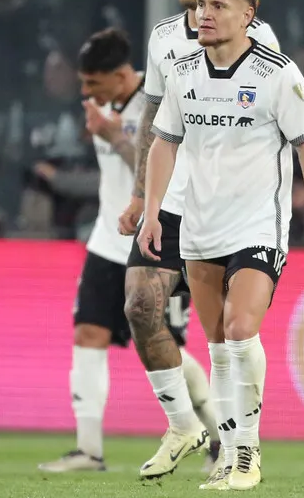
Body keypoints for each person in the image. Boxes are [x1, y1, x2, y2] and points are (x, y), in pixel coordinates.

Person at [138, 0, 304, 491]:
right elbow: (165, 143)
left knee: (240, 327)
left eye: (218, 6)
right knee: (218, 346)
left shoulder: (277, 74)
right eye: (202, 4)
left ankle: (248, 453)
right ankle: (229, 455)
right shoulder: (182, 71)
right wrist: (153, 210)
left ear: (247, 15)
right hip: (200, 226)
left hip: (258, 225)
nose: (204, 13)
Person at [118, 0, 281, 480]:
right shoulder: (164, 37)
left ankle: (239, 448)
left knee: (227, 335)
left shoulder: (262, 43)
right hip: (170, 200)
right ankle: (184, 425)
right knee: (141, 306)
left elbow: (274, 123)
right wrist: (142, 196)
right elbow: (155, 122)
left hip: (230, 210)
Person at [36, 28, 208, 473]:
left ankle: (215, 434)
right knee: (87, 334)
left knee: (161, 343)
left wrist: (116, 137)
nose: (85, 91)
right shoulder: (103, 107)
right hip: (105, 241)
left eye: (92, 82)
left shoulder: (159, 103)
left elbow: (160, 174)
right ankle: (88, 450)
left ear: (119, 76)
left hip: (158, 241)